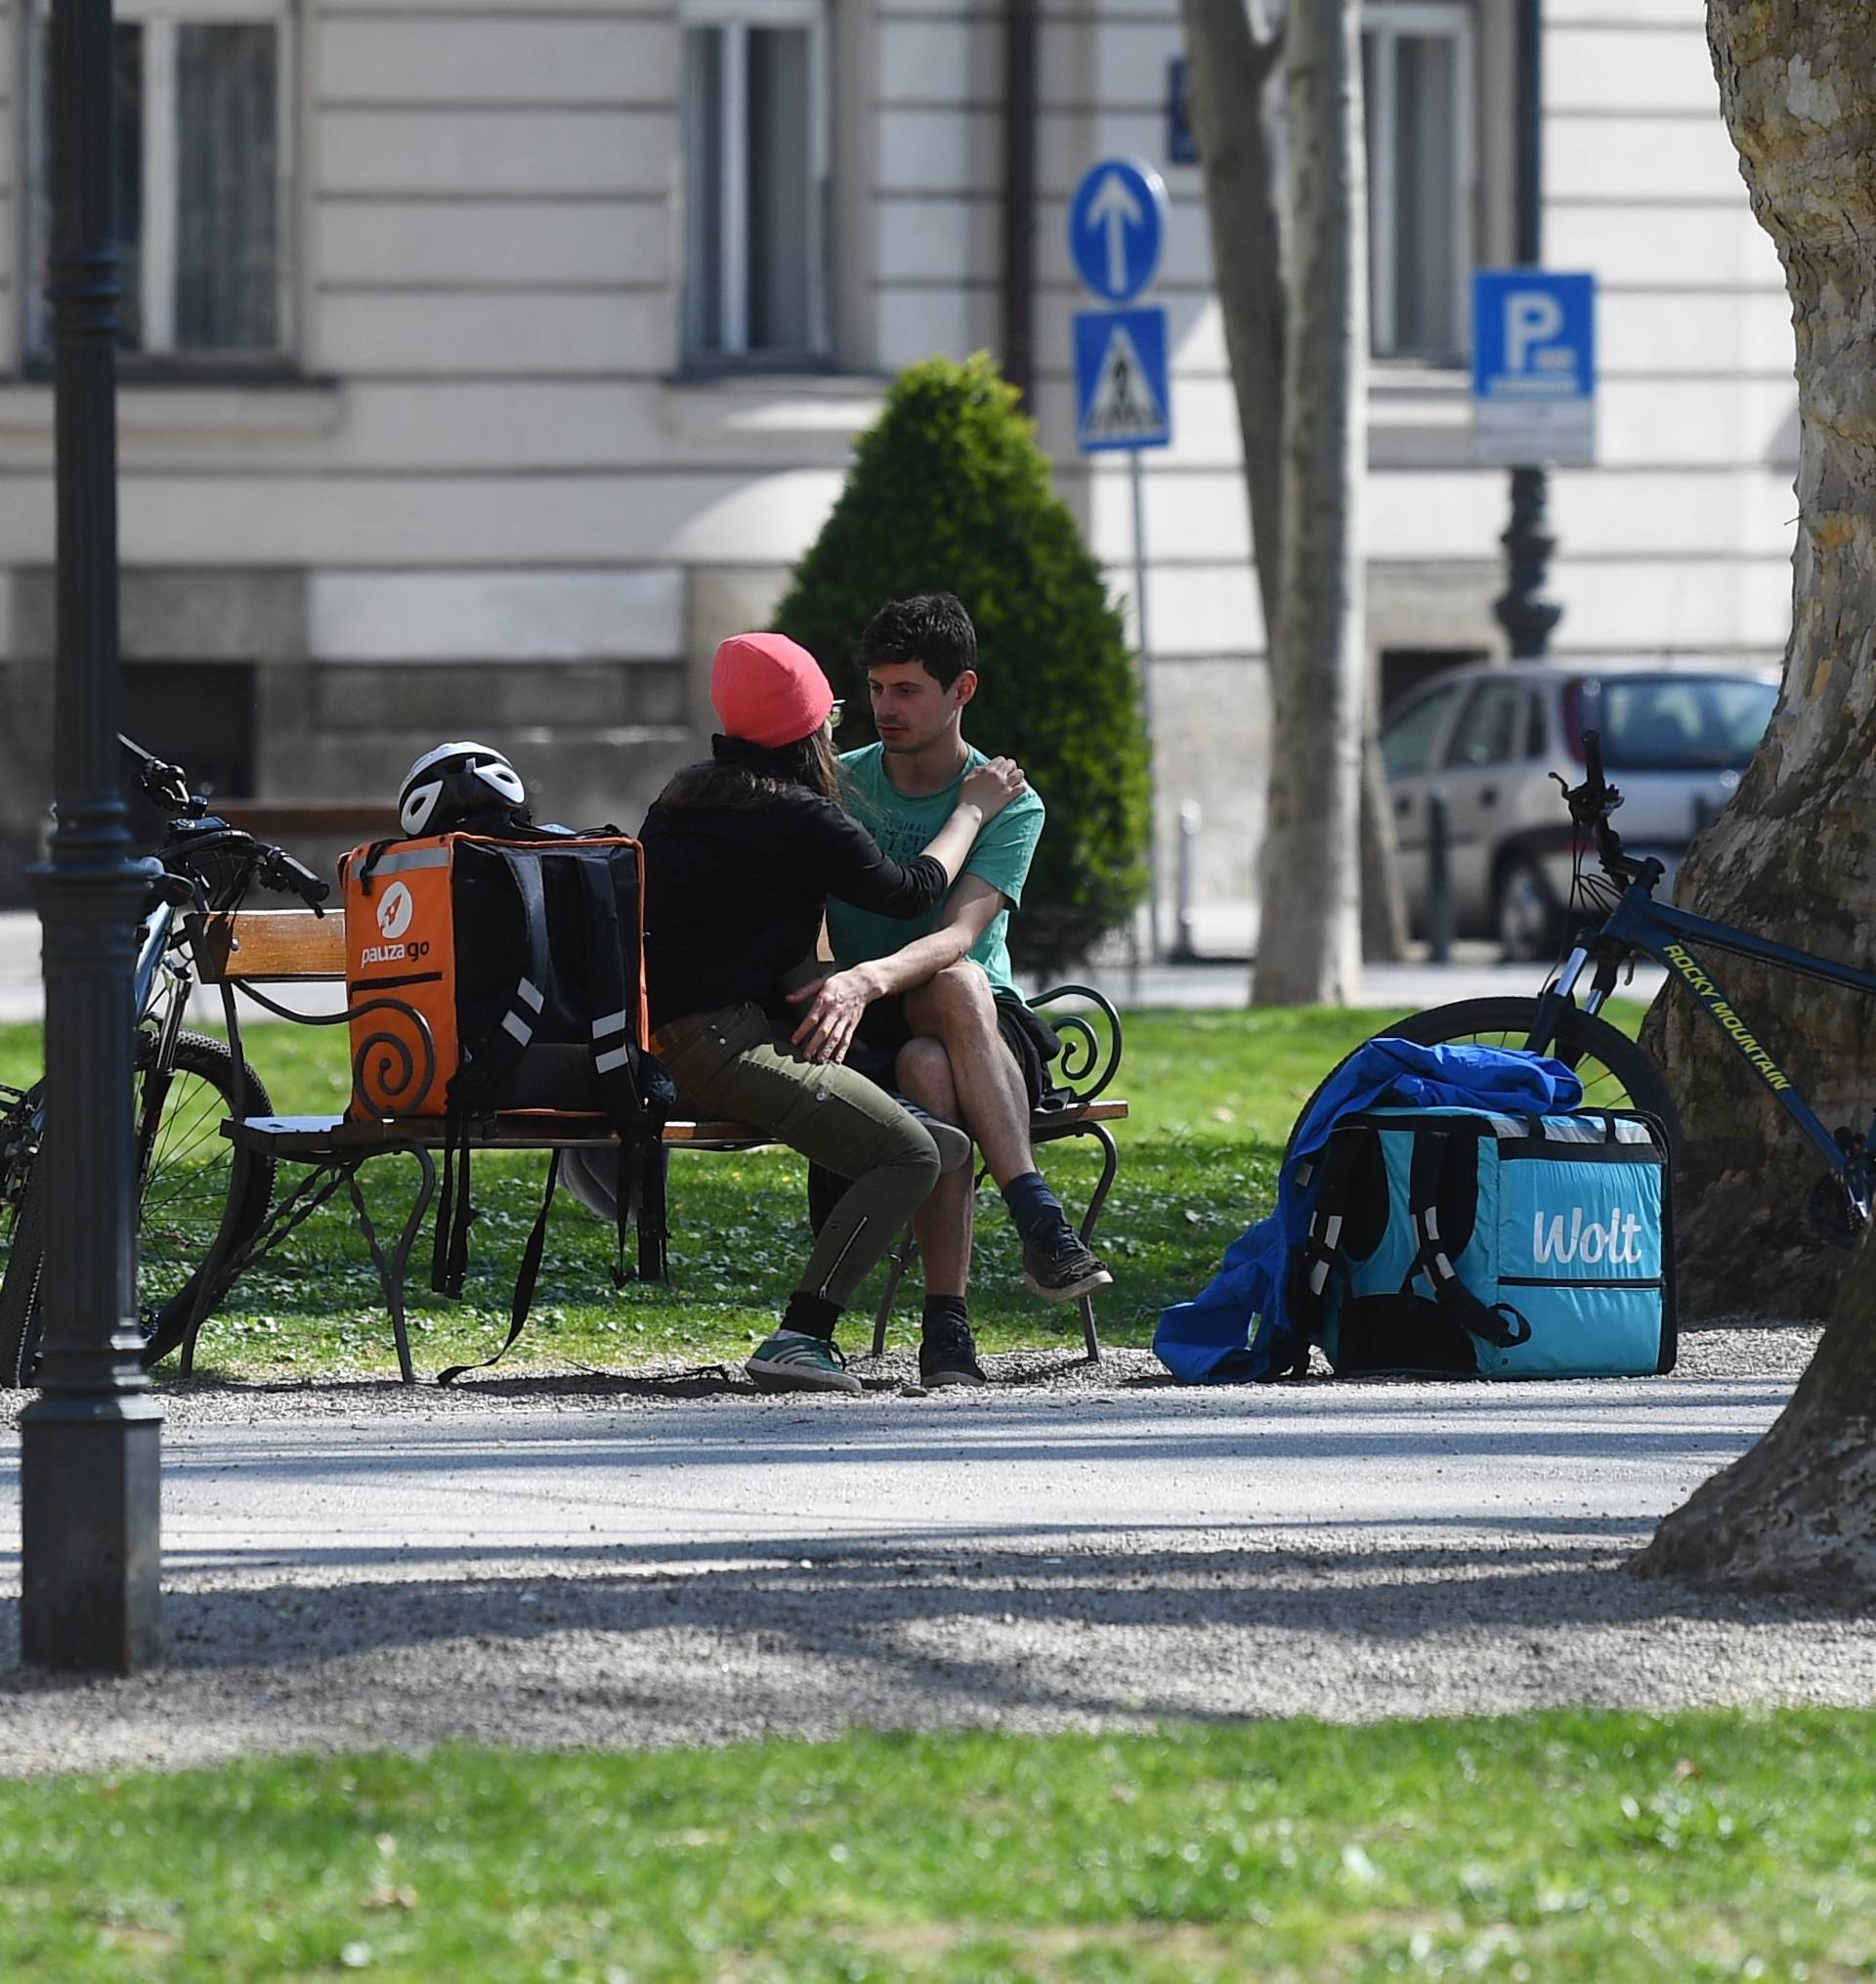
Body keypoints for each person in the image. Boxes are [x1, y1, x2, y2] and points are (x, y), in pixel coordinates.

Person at [623, 629, 1026, 1396]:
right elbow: (913, 889)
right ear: (811, 725)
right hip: (726, 1047)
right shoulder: (796, 812)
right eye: (833, 711)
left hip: (680, 1045)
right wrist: (972, 810)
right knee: (911, 1153)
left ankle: (830, 1324)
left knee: (936, 1139)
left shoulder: (684, 797)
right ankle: (803, 1333)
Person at [788, 594, 1112, 1382]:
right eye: (876, 688)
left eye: (908, 691)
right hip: (868, 1023)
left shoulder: (1006, 798)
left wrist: (866, 978)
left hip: (982, 1025)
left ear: (961, 690)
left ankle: (949, 1326)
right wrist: (844, 981)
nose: (886, 708)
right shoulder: (842, 783)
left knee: (952, 1010)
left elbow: (958, 936)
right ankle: (1036, 1222)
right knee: (925, 1054)